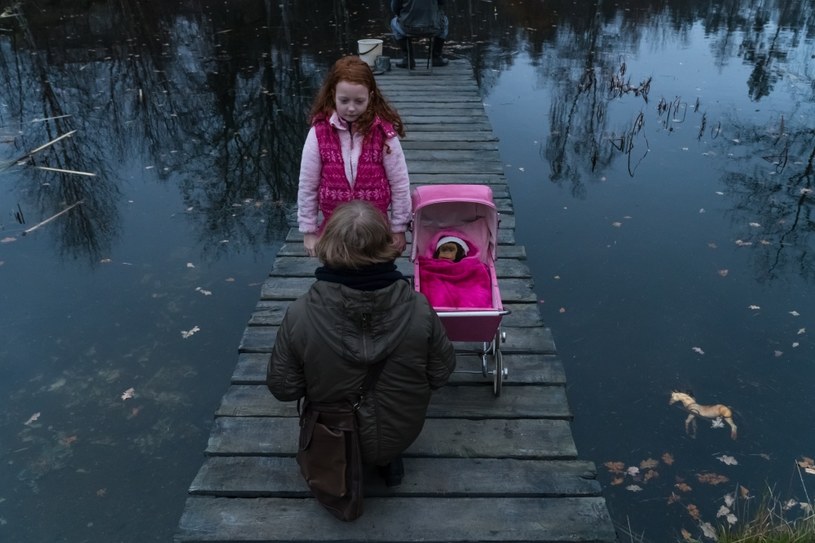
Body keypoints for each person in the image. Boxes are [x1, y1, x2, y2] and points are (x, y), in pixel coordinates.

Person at [267, 200, 457, 487]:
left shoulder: (300, 314)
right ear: (386, 246)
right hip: (402, 431)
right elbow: (441, 372)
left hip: (333, 433)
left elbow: (284, 388)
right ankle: (387, 458)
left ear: (327, 245)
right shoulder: (419, 308)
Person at [297, 56, 410, 257]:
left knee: (377, 274)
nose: (351, 108)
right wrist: (308, 230)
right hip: (334, 228)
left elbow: (399, 183)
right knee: (336, 276)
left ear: (371, 97)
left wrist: (399, 227)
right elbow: (308, 184)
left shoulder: (384, 134)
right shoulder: (319, 132)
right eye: (344, 100)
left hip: (375, 228)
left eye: (359, 101)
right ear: (333, 95)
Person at [390, 0, 449, 68]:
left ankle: (408, 59)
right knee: (445, 21)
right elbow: (442, 3)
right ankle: (436, 57)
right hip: (432, 27)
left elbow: (394, 8)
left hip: (407, 28)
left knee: (394, 22)